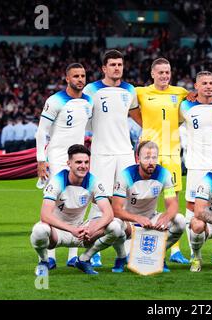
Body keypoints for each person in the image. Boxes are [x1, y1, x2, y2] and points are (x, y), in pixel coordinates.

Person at [83, 49, 141, 267]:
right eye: (113, 65)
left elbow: (139, 117)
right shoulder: (92, 89)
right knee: (100, 202)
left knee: (127, 202)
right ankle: (93, 249)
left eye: (120, 64)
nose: (117, 68)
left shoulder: (130, 90)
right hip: (101, 153)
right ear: (104, 68)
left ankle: (124, 254)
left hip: (125, 153)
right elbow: (84, 117)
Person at [30, 144, 122, 276]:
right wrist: (71, 229)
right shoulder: (57, 181)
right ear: (69, 163)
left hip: (82, 232)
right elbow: (45, 215)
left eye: (86, 162)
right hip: (57, 233)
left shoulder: (93, 181)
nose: (83, 166)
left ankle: (84, 259)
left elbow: (108, 213)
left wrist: (92, 229)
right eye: (78, 162)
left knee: (115, 227)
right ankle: (44, 261)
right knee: (39, 230)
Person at [35, 62, 93, 268]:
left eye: (83, 76)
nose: (80, 79)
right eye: (76, 76)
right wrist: (41, 160)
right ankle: (49, 255)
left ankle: (72, 256)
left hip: (78, 159)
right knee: (55, 200)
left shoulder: (88, 102)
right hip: (58, 158)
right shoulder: (55, 100)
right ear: (67, 78)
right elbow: (42, 131)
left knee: (78, 201)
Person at [135, 58, 190, 264]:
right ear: (152, 74)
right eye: (161, 73)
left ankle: (173, 250)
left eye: (167, 72)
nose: (165, 76)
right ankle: (140, 248)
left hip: (171, 155)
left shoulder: (180, 92)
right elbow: (132, 111)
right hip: (149, 155)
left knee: (172, 203)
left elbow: (202, 94)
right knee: (146, 201)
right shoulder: (141, 92)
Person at [111, 141, 186, 273]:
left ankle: (158, 255)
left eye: (154, 157)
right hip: (129, 223)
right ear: (137, 158)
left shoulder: (164, 174)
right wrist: (136, 218)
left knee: (180, 220)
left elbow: (173, 204)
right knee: (114, 225)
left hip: (151, 220)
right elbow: (116, 209)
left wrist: (166, 217)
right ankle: (121, 256)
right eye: (146, 158)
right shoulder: (126, 175)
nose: (151, 162)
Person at [180, 71, 212, 259]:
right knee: (192, 209)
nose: (208, 86)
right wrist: (185, 94)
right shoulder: (185, 105)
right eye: (204, 83)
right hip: (195, 165)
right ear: (196, 86)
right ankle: (194, 252)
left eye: (211, 83)